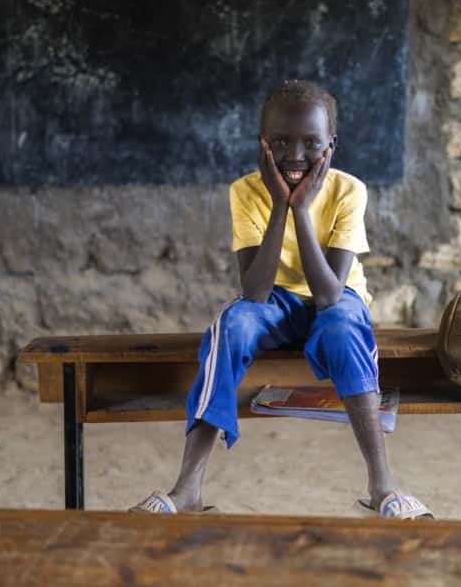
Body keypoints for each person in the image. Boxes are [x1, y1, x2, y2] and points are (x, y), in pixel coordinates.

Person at [132, 80, 432, 519]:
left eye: (311, 143)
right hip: (272, 300)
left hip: (336, 298)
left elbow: (330, 293)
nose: (295, 155)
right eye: (281, 142)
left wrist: (303, 209)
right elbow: (253, 291)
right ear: (263, 145)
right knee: (231, 325)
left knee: (346, 325)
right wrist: (280, 205)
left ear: (331, 145)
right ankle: (188, 488)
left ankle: (382, 486)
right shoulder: (246, 192)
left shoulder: (350, 191)